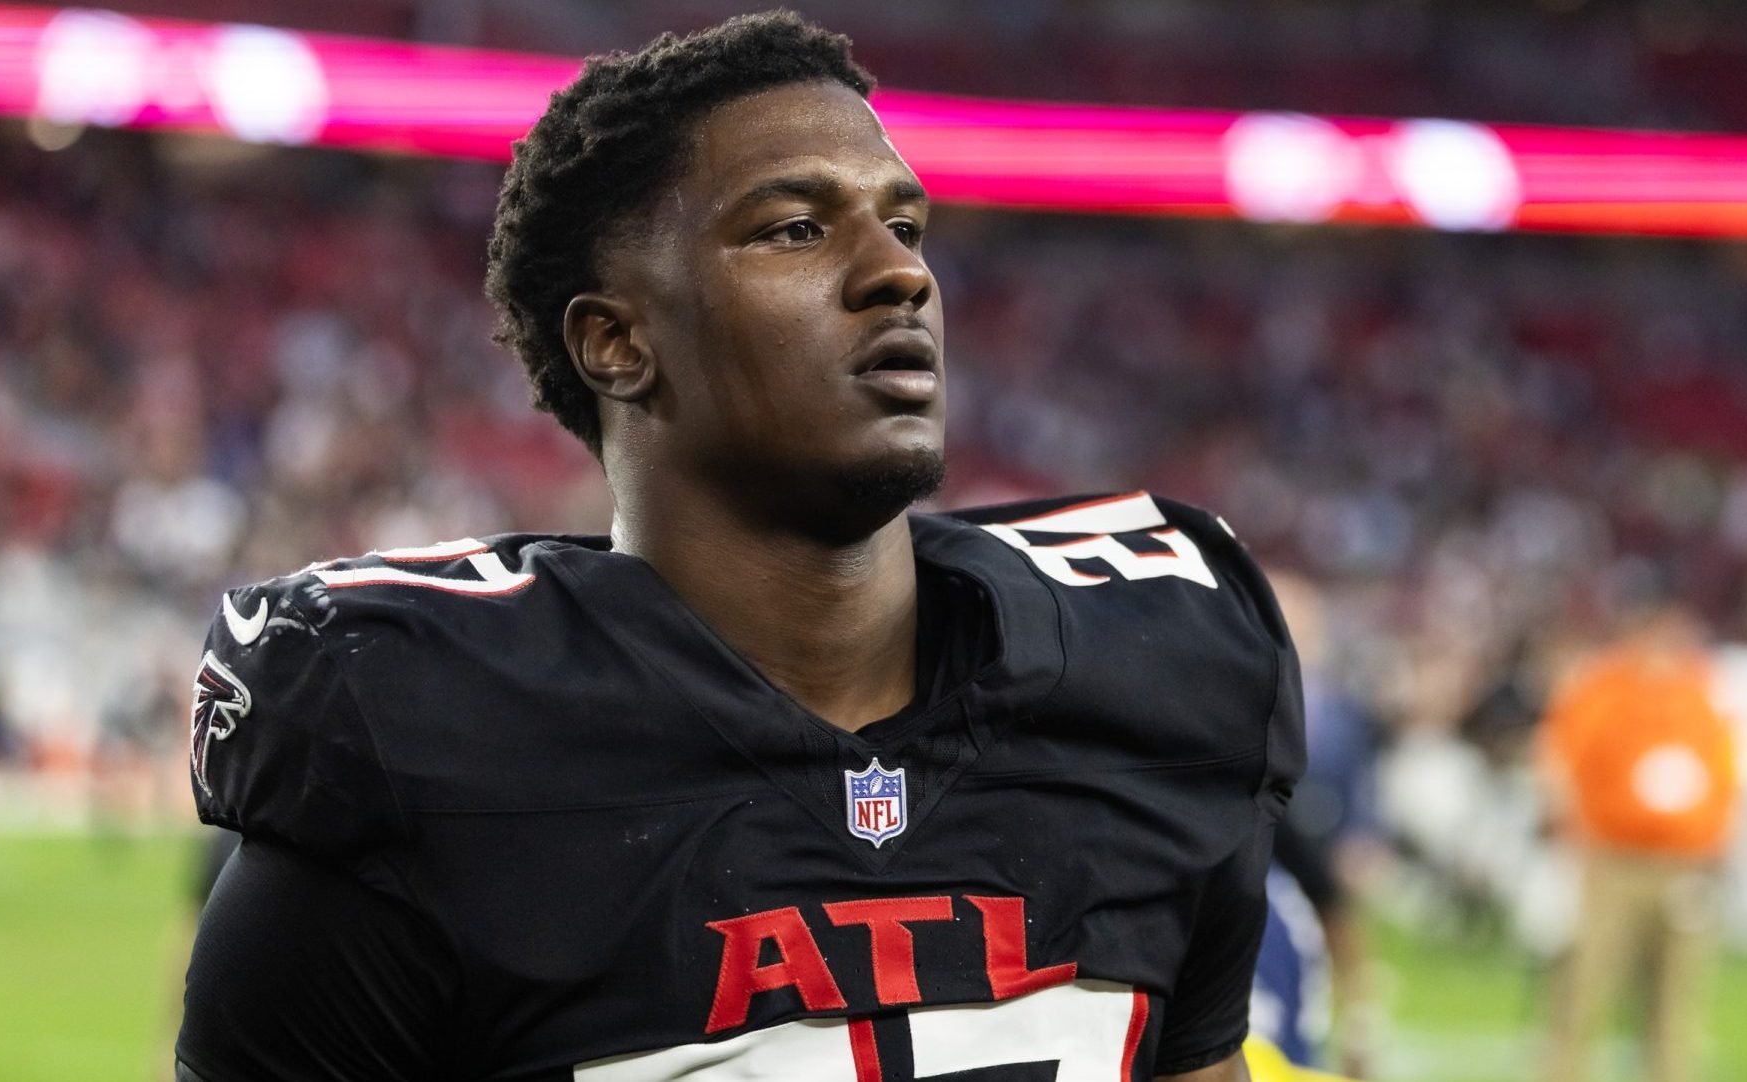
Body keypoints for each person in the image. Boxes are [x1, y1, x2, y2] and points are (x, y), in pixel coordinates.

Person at [174, 13, 1302, 1082]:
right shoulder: (424, 745)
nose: (898, 271)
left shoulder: (1160, 668)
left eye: (904, 225)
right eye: (795, 228)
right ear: (617, 341)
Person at [1537, 603, 1738, 1082]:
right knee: (1586, 987)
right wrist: (1572, 830)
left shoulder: (1699, 692)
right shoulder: (1604, 689)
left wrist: (1716, 844)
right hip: (1614, 861)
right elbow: (1560, 759)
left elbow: (1724, 776)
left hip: (1684, 865)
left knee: (1676, 998)